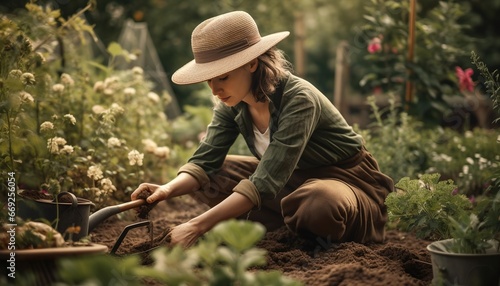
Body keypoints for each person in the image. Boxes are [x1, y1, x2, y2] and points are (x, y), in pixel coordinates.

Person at [131, 11, 394, 247]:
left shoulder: (299, 99)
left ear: (252, 63)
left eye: (222, 77)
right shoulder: (232, 102)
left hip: (346, 185)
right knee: (213, 175)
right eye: (208, 79)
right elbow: (204, 162)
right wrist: (166, 189)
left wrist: (196, 226)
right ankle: (289, 230)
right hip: (289, 185)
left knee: (319, 202)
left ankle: (314, 231)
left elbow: (266, 180)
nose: (215, 89)